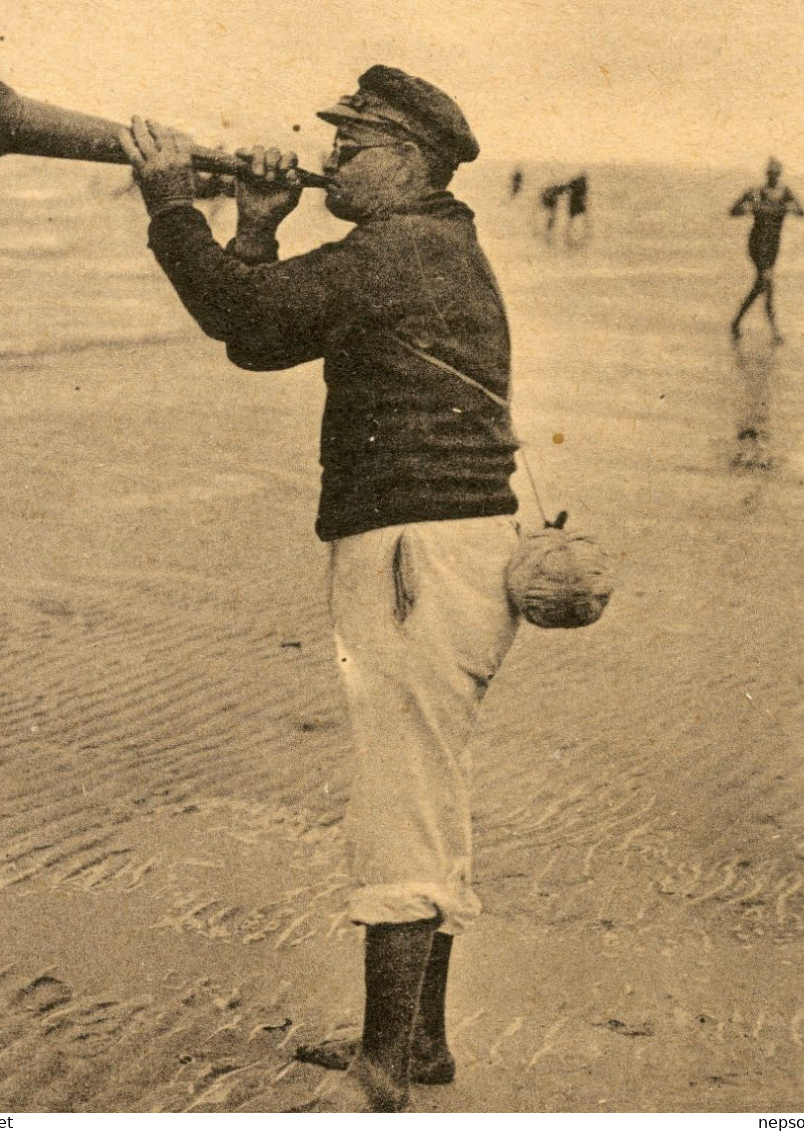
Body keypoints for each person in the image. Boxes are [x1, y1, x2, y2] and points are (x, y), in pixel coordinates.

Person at [120, 65, 522, 1113]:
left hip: (413, 551)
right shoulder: (418, 243)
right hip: (430, 543)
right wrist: (253, 223)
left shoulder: (397, 250)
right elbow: (260, 338)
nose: (331, 154)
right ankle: (417, 1043)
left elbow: (229, 310)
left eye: (354, 142)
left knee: (400, 792)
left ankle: (385, 1064)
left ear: (411, 161)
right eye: (332, 140)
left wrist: (174, 204)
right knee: (424, 780)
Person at [729, 157, 804, 345]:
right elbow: (733, 210)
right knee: (765, 280)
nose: (773, 176)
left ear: (779, 174)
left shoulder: (784, 193)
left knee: (764, 285)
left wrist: (790, 208)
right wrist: (748, 208)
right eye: (770, 173)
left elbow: (801, 211)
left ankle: (737, 323)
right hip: (757, 243)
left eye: (776, 173)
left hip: (773, 246)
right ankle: (773, 331)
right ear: (767, 174)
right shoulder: (756, 193)